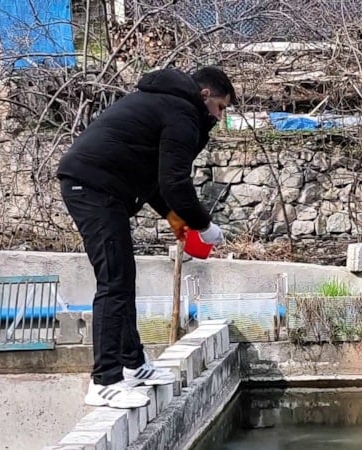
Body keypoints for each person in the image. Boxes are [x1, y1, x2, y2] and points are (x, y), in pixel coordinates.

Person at [56, 66, 233, 409]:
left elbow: (154, 182)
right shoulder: (182, 112)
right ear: (205, 95)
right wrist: (204, 225)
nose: (219, 117)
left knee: (123, 280)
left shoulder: (164, 104)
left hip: (99, 187)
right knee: (114, 282)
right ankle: (105, 381)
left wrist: (180, 225)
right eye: (220, 108)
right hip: (92, 188)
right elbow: (175, 183)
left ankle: (133, 365)